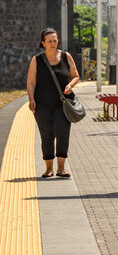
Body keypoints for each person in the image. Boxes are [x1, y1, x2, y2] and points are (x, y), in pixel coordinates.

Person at [26, 28, 80, 178]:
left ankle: (61, 168)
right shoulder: (37, 60)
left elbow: (75, 75)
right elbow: (31, 82)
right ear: (43, 43)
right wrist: (31, 98)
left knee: (63, 133)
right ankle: (49, 168)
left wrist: (70, 85)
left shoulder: (65, 56)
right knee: (47, 135)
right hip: (42, 104)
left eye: (55, 40)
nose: (53, 43)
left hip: (63, 103)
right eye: (49, 41)